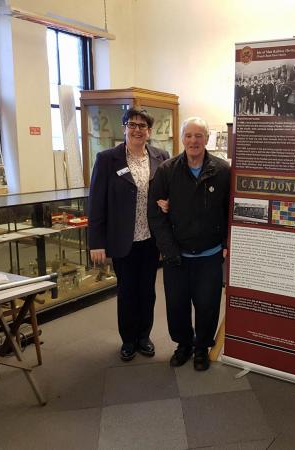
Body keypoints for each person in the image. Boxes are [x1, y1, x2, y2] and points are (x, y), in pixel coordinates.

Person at [149, 117, 230, 371]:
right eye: (189, 136)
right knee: (177, 305)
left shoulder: (222, 170)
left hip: (210, 255)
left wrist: (227, 242)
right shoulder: (166, 170)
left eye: (199, 136)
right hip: (177, 256)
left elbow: (230, 210)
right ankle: (183, 344)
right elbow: (155, 214)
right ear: (182, 139)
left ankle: (202, 347)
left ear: (207, 139)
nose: (193, 141)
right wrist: (168, 250)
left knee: (207, 304)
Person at [88, 107, 169, 362]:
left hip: (150, 239)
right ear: (124, 128)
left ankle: (144, 336)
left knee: (147, 290)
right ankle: (128, 340)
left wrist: (168, 203)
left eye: (142, 126)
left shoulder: (161, 156)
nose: (137, 130)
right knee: (126, 291)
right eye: (132, 124)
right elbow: (96, 203)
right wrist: (96, 242)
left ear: (149, 131)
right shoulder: (107, 159)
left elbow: (168, 192)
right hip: (122, 239)